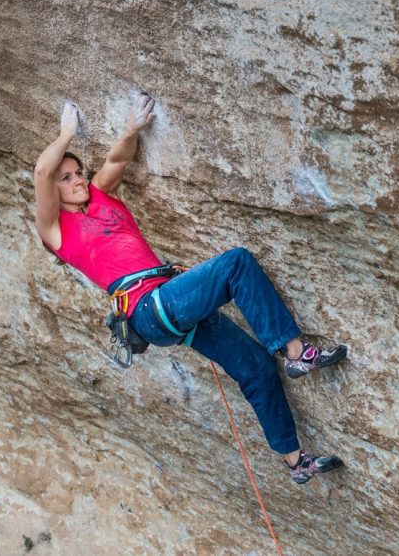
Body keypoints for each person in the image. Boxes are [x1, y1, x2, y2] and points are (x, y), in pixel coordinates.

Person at [33, 94, 347, 484]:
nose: (77, 179)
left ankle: (295, 462)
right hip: (147, 308)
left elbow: (116, 160)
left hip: (169, 307)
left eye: (78, 172)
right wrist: (67, 132)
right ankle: (297, 352)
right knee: (236, 264)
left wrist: (133, 128)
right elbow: (43, 172)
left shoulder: (101, 196)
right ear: (55, 191)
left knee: (256, 367)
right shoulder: (57, 232)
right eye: (67, 179)